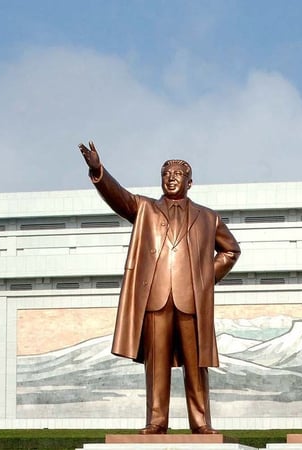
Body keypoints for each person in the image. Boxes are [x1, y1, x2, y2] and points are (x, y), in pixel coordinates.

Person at [78, 141, 240, 435]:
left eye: (178, 173)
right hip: (155, 298)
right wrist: (98, 171)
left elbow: (230, 251)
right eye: (166, 173)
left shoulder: (208, 217)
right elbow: (119, 198)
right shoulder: (145, 209)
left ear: (190, 182)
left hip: (190, 300)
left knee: (196, 365)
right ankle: (156, 421)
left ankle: (201, 422)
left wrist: (205, 277)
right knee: (156, 365)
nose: (171, 177)